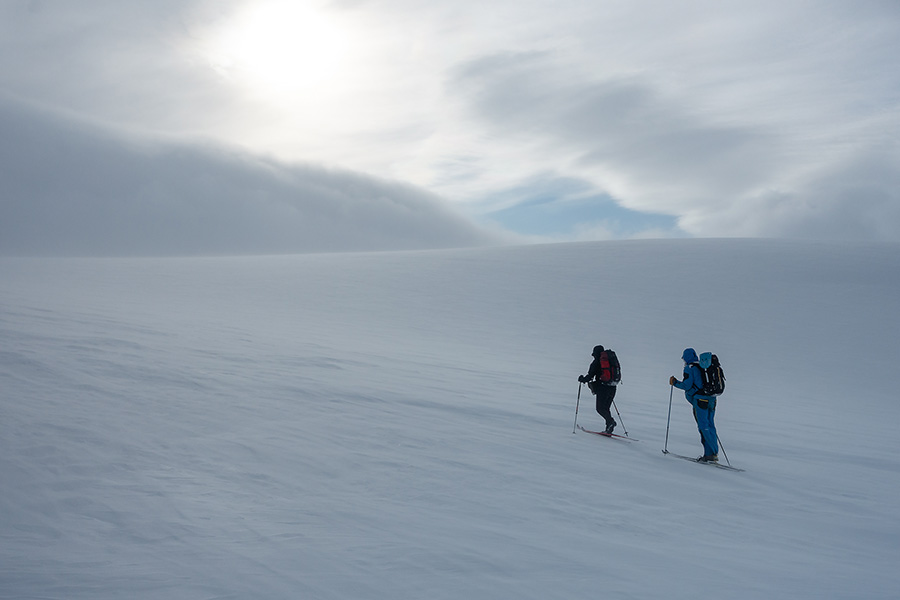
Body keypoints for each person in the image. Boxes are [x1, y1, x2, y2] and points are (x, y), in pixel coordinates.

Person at [670, 347, 718, 462]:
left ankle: (709, 455)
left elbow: (686, 385)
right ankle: (714, 453)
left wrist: (675, 383)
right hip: (712, 399)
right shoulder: (703, 366)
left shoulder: (690, 368)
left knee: (703, 427)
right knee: (710, 425)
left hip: (700, 401)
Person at [578, 345, 617, 434]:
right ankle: (609, 428)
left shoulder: (596, 362)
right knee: (606, 408)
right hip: (613, 386)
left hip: (603, 388)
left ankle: (611, 422)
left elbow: (590, 376)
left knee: (600, 409)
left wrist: (582, 379)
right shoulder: (610, 361)